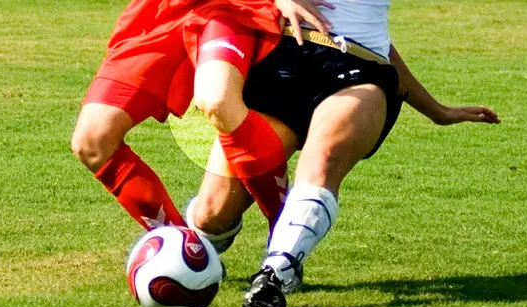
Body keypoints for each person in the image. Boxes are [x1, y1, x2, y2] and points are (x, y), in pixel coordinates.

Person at [185, 0, 500, 307]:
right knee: (213, 214)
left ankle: (277, 274)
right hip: (278, 62)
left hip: (360, 70)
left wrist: (437, 111)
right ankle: (191, 255)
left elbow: (371, 31)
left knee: (321, 159)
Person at [70, 0, 332, 231]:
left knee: (218, 100)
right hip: (158, 12)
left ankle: (285, 240)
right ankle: (183, 245)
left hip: (232, 7)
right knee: (92, 141)